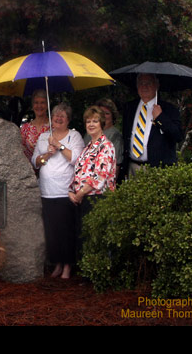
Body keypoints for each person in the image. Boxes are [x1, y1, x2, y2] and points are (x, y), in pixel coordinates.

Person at [31, 102, 84, 279]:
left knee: (66, 231)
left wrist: (60, 146)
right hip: (47, 191)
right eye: (55, 116)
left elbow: (76, 159)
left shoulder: (74, 136)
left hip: (65, 191)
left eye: (63, 116)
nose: (58, 118)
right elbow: (35, 162)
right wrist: (47, 154)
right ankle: (58, 264)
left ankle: (68, 265)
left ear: (68, 119)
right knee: (52, 232)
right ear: (51, 118)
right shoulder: (44, 137)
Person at [69, 106, 116, 260]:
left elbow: (100, 177)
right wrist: (72, 191)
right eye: (88, 121)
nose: (91, 124)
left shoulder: (106, 146)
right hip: (83, 199)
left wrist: (80, 193)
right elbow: (79, 172)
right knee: (86, 238)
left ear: (101, 123)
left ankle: (98, 277)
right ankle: (87, 276)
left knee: (98, 239)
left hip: (98, 198)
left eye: (95, 121)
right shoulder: (87, 147)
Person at [122, 74, 183, 178]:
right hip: (132, 167)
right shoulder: (130, 107)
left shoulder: (169, 109)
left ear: (157, 85)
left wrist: (160, 117)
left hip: (157, 170)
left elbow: (178, 136)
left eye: (148, 83)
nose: (144, 86)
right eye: (141, 83)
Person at [83, 98, 124, 181]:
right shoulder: (88, 134)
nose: (104, 116)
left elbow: (117, 164)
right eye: (101, 113)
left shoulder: (115, 135)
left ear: (113, 116)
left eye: (107, 113)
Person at [20, 89, 51, 174]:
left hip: (49, 172)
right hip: (29, 174)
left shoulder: (54, 127)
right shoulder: (25, 128)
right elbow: (20, 151)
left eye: (42, 102)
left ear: (47, 104)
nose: (39, 106)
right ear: (32, 105)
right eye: (36, 102)